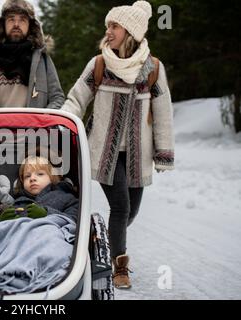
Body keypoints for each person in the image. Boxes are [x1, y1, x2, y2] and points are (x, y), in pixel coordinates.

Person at [61, 1, 174, 289]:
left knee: (130, 213)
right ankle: (119, 266)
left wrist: (163, 152)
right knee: (121, 207)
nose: (108, 31)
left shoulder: (152, 69)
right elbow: (76, 100)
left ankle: (102, 238)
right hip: (104, 152)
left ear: (131, 31)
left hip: (138, 154)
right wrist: (61, 125)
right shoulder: (99, 64)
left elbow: (163, 112)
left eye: (114, 26)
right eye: (107, 26)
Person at [0, 0, 64, 109]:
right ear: (3, 24)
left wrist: (42, 121)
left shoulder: (42, 58)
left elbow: (57, 97)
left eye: (22, 20)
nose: (16, 24)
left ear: (30, 25)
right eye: (11, 19)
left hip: (33, 125)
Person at [0, 155, 78, 222]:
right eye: (27, 176)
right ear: (22, 182)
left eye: (40, 174)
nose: (32, 178)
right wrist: (2, 222)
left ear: (52, 177)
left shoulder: (66, 198)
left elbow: (75, 220)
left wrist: (46, 214)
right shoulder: (16, 204)